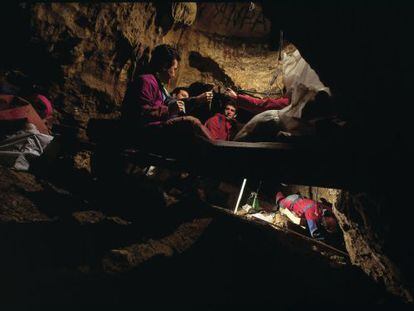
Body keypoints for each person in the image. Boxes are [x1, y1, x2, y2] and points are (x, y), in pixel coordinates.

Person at [121, 44, 213, 146]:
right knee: (191, 122)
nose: (173, 75)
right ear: (164, 66)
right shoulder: (146, 81)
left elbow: (173, 103)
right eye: (174, 69)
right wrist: (168, 110)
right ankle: (217, 149)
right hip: (144, 133)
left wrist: (197, 100)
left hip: (156, 129)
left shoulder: (160, 87)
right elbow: (139, 113)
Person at [224, 88, 290, 114]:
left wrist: (236, 97)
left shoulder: (289, 103)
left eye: (232, 110)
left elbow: (261, 105)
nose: (229, 112)